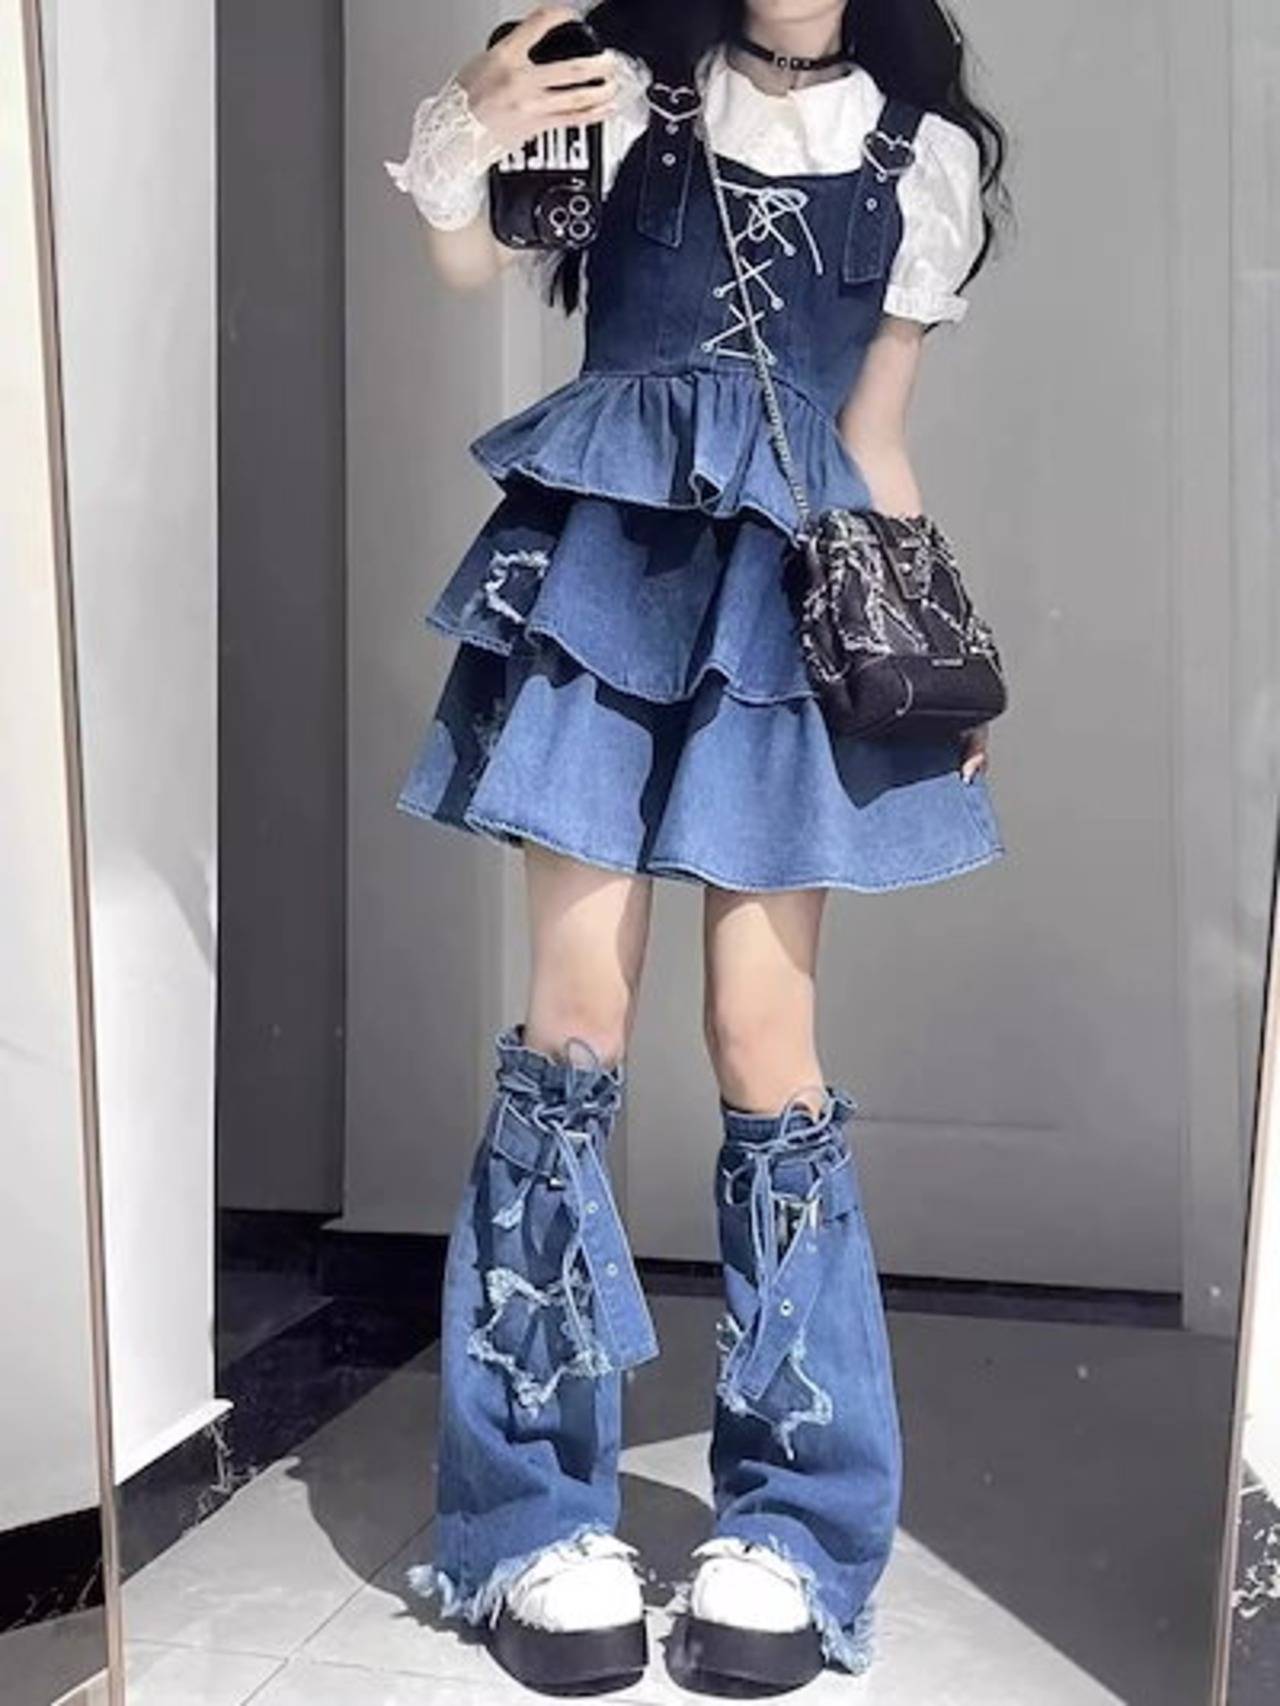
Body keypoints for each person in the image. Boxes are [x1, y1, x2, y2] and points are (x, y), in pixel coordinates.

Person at [383, 0, 1010, 1692]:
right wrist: (468, 123)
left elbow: (873, 442)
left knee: (761, 1036)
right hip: (601, 575)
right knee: (573, 1021)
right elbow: (467, 262)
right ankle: (530, 1516)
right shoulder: (626, 90)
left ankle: (795, 1524)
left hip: (784, 606)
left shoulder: (921, 160)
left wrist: (932, 646)